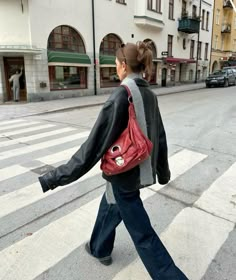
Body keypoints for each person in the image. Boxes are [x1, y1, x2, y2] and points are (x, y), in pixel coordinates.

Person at [38, 41, 189, 280]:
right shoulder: (150, 93)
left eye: (116, 64)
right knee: (110, 201)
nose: (116, 68)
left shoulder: (121, 94)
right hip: (136, 169)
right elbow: (159, 134)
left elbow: (92, 147)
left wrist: (54, 177)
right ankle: (100, 248)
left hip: (125, 173)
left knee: (143, 236)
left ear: (122, 66)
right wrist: (163, 171)